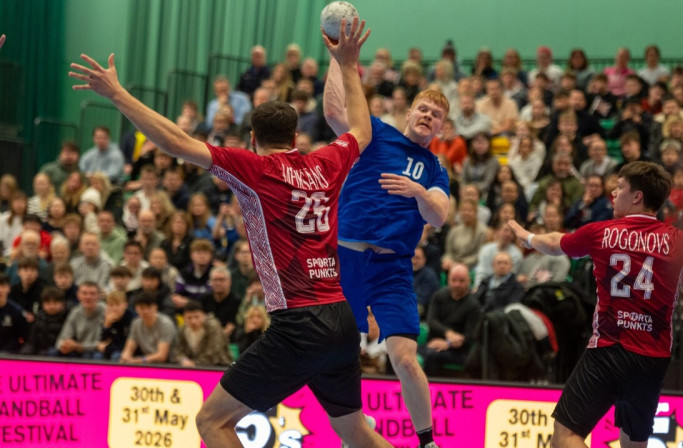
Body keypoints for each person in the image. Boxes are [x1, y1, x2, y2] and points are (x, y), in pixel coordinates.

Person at [69, 17, 391, 447]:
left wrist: (118, 94)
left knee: (211, 423)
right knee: (353, 431)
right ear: (295, 136)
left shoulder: (255, 168)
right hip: (340, 318)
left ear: (253, 137)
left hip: (297, 322)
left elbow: (177, 143)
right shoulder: (325, 162)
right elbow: (362, 131)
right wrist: (348, 64)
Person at [506, 161, 683, 448]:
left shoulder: (602, 233)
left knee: (565, 436)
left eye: (620, 187)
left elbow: (557, 242)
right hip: (652, 360)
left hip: (609, 349)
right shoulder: (682, 241)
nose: (613, 193)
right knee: (634, 444)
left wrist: (528, 237)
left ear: (637, 196)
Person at [325, 30, 451, 448]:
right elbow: (332, 111)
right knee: (332, 350)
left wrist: (418, 192)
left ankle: (427, 441)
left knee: (404, 357)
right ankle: (353, 432)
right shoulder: (375, 132)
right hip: (346, 258)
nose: (428, 116)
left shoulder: (434, 169)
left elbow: (440, 214)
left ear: (441, 127)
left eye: (436, 115)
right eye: (424, 109)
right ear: (410, 111)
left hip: (392, 267)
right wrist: (335, 57)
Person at [418, 264, 481, 377]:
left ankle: (428, 391)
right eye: (454, 280)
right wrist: (448, 333)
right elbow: (431, 321)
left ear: (469, 281)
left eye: (461, 281)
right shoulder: (439, 296)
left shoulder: (474, 305)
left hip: (459, 351)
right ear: (448, 280)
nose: (457, 284)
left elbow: (469, 336)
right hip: (433, 342)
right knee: (400, 352)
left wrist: (447, 343)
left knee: (432, 355)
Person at [120, 292, 177, 364]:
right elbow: (129, 348)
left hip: (168, 364)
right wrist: (125, 357)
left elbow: (162, 356)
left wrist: (136, 361)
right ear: (136, 309)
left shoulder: (166, 324)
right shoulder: (136, 323)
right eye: (141, 308)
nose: (145, 311)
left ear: (155, 307)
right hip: (147, 362)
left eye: (149, 307)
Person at [55, 281, 106, 359]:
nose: (88, 297)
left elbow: (101, 344)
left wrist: (77, 346)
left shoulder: (105, 311)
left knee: (94, 356)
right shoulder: (75, 312)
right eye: (84, 293)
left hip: (95, 352)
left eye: (92, 294)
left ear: (99, 296)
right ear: (78, 295)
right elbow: (61, 339)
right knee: (55, 352)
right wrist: (64, 345)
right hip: (78, 349)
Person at [175, 300, 232, 367]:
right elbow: (179, 351)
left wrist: (194, 363)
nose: (193, 321)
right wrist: (183, 360)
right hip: (193, 367)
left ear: (203, 315)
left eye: (197, 317)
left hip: (218, 365)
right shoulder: (183, 329)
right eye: (189, 318)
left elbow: (214, 353)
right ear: (184, 317)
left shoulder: (213, 327)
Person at [0, 273, 27, 353]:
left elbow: (22, 336)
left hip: (10, 353)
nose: (0, 290)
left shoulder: (16, 311)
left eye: (3, 286)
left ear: (9, 288)